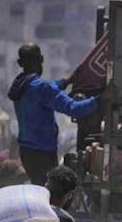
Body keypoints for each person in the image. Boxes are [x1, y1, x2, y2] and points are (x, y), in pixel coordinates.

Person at [8, 44, 100, 186]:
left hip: (27, 152)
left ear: (20, 63)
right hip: (43, 153)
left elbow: (44, 91)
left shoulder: (20, 84)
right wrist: (101, 99)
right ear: (42, 59)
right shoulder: (41, 88)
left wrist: (65, 82)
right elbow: (73, 108)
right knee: (49, 193)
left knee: (39, 188)